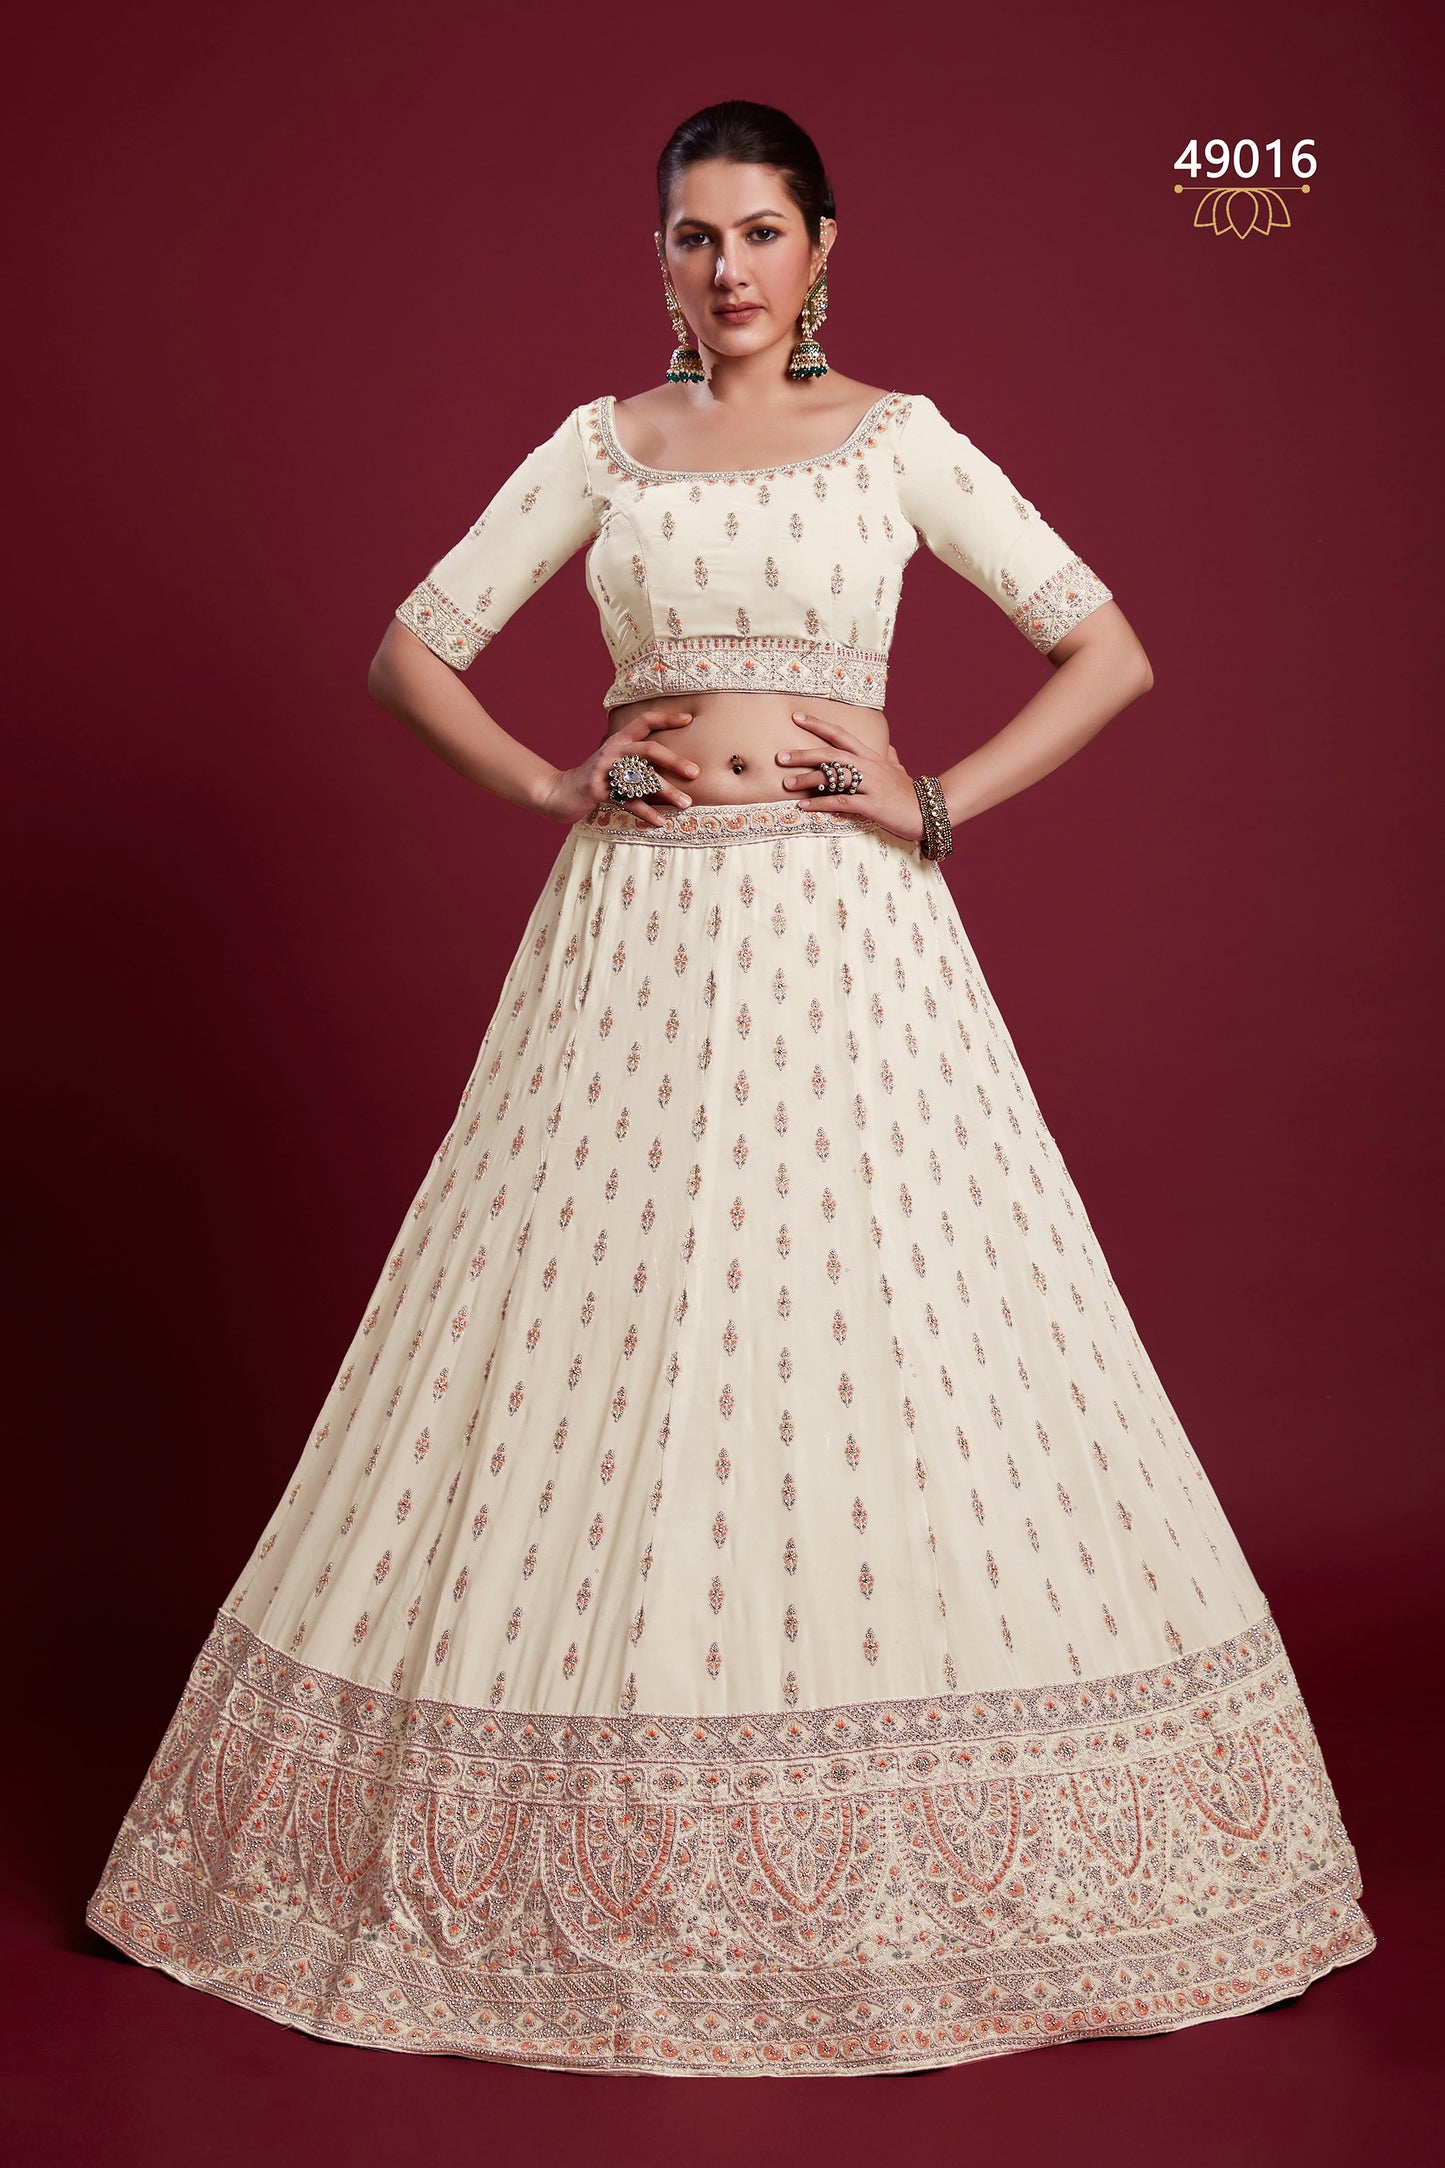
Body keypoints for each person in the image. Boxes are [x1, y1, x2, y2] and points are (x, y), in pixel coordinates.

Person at [85, 99, 1374, 2078]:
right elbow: (415, 650)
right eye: (695, 236)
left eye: (761, 231)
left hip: (856, 948)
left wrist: (935, 800)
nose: (728, 269)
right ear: (661, 259)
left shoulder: (901, 441)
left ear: (823, 246)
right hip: (635, 944)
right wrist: (550, 779)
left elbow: (1104, 649)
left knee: (886, 1326)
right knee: (597, 1331)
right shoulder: (604, 447)